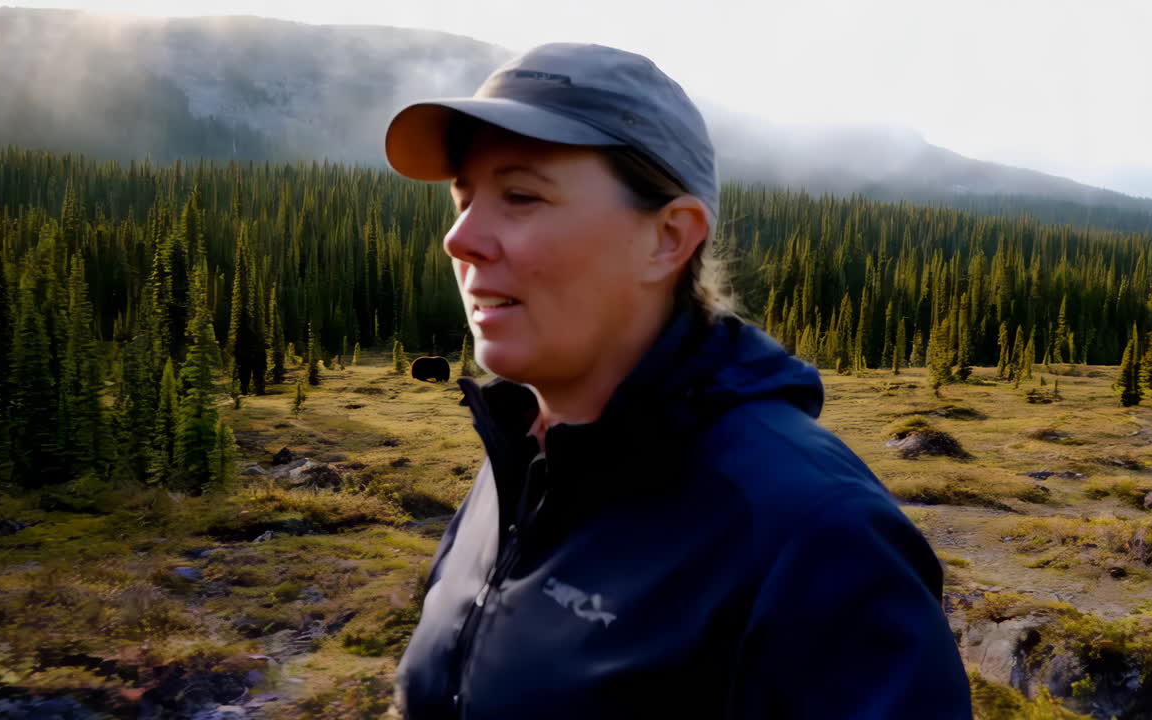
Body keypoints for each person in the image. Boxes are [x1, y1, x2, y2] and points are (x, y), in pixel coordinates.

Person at [381, 42, 971, 719]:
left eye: (520, 196)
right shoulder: (521, 460)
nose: (460, 238)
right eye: (464, 198)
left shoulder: (815, 539)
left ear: (669, 238)